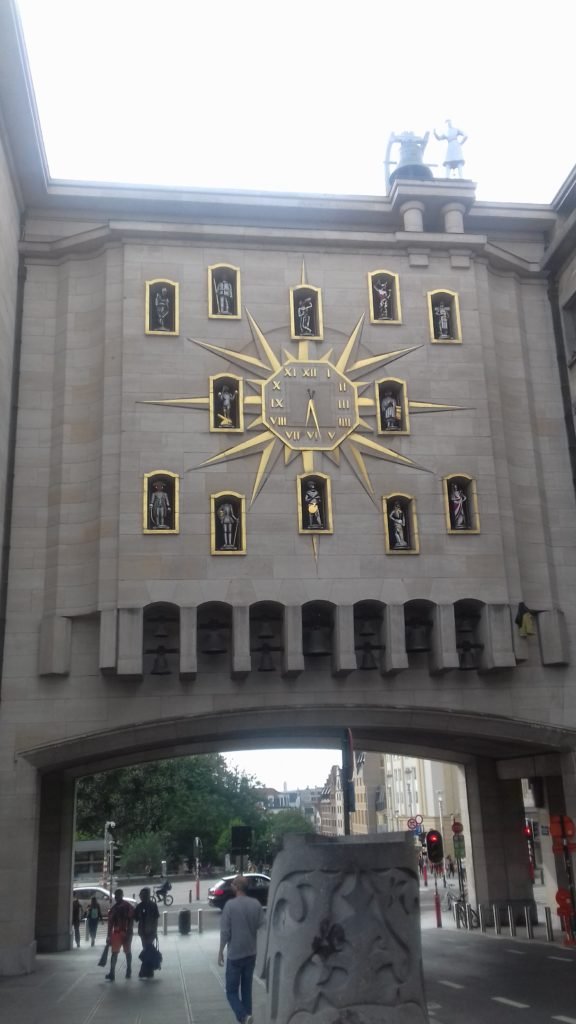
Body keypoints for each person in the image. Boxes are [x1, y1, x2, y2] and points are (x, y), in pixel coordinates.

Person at [218, 875, 265, 1024]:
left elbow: (225, 932)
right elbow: (261, 925)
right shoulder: (256, 904)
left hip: (235, 954)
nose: (231, 886)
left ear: (237, 887)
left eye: (233, 884)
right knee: (247, 990)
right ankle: (247, 1016)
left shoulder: (230, 906)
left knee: (231, 991)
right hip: (251, 952)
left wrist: (220, 951)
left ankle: (243, 1016)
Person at [105, 888, 134, 981]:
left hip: (118, 932)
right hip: (123, 932)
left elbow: (110, 924)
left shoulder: (115, 908)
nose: (116, 897)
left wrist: (109, 936)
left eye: (117, 895)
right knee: (127, 952)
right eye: (116, 896)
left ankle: (113, 973)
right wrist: (129, 931)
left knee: (115, 953)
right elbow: (131, 920)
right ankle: (128, 970)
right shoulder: (128, 906)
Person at [134, 887, 160, 979]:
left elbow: (156, 919)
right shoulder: (140, 906)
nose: (142, 897)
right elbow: (136, 918)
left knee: (147, 950)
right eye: (141, 895)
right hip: (143, 932)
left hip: (150, 932)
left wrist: (155, 931)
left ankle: (144, 971)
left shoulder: (152, 905)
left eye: (143, 895)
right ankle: (149, 970)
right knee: (147, 950)